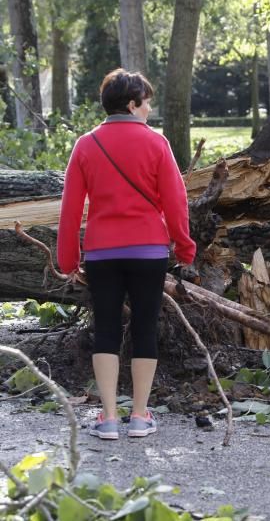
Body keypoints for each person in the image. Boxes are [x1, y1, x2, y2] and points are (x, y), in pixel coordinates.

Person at [57, 68, 196, 440]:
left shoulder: (86, 145)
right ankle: (139, 416)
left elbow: (70, 209)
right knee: (145, 326)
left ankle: (107, 418)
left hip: (102, 253)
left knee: (105, 328)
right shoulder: (157, 144)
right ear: (132, 103)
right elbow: (176, 202)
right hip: (149, 250)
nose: (149, 108)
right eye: (147, 101)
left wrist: (67, 260)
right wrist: (184, 246)